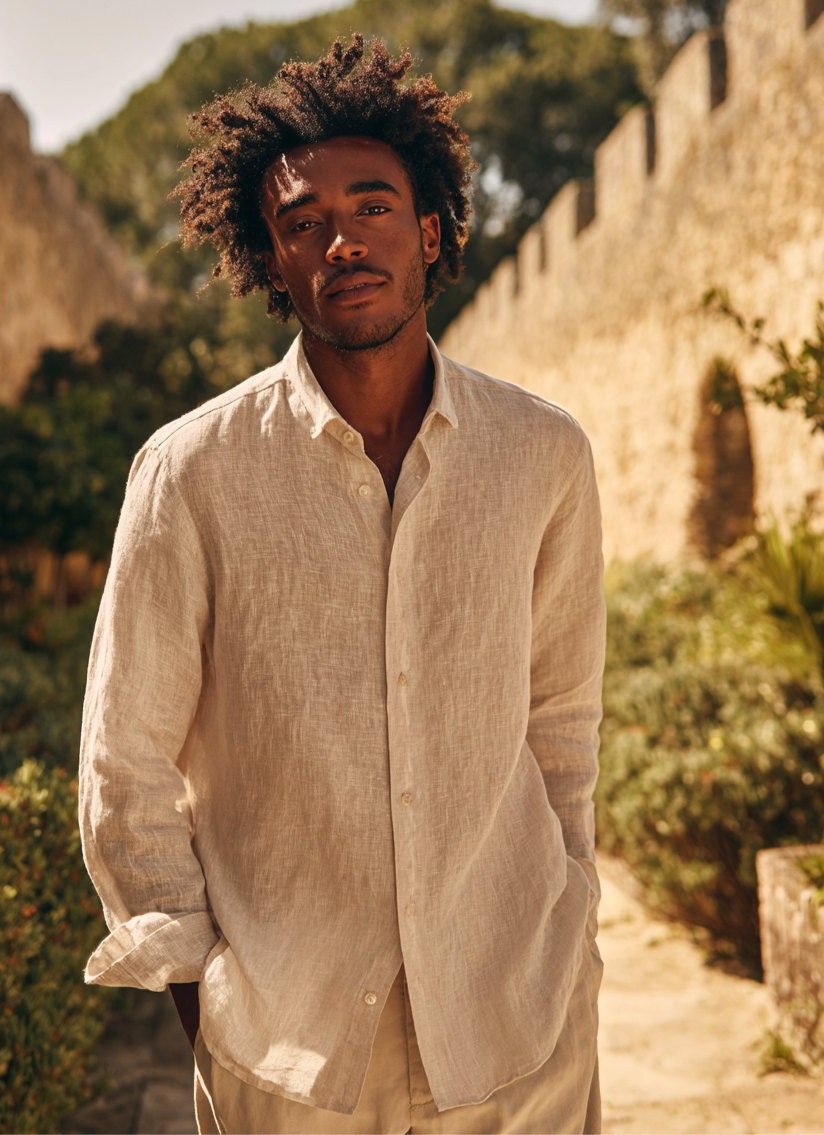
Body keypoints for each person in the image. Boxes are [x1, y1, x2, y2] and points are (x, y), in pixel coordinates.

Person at [79, 35, 606, 1135]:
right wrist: (205, 1002)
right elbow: (123, 764)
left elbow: (562, 725)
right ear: (272, 262)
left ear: (429, 232)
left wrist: (570, 930)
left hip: (522, 1031)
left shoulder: (542, 453)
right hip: (289, 1058)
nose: (340, 240)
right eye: (302, 221)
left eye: (371, 208)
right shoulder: (189, 473)